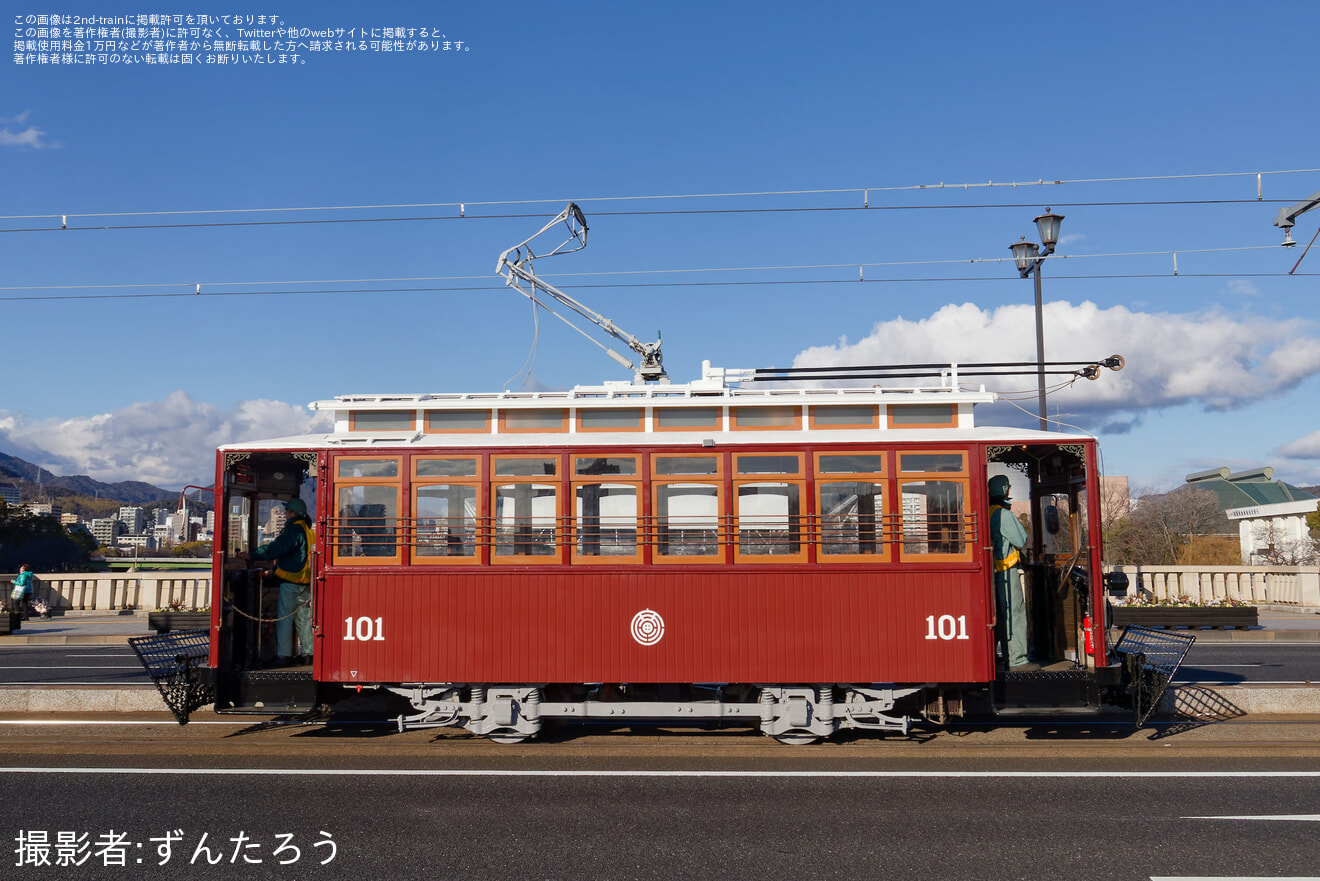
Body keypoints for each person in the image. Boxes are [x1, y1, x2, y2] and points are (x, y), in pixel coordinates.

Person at [248, 498, 316, 667]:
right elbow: (297, 556)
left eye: (286, 511)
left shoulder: (294, 530)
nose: (284, 514)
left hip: (292, 580)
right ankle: (309, 653)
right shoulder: (309, 530)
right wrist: (276, 568)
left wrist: (251, 555)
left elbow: (276, 549)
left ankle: (283, 655)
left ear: (293, 512)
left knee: (285, 617)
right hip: (306, 580)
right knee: (304, 618)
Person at [988, 475, 1037, 672]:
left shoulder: (988, 511)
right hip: (1007, 573)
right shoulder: (1004, 515)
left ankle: (1002, 656)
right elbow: (1021, 539)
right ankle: (1017, 660)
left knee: (1000, 615)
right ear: (1004, 489)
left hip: (993, 573)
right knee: (1014, 614)